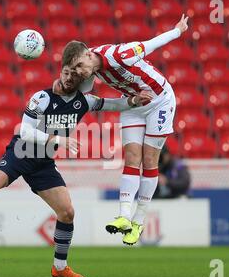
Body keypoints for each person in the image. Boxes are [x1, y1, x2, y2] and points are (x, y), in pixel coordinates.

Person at [0, 65, 152, 277]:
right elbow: (24, 130)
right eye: (65, 72)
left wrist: (133, 101)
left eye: (73, 77)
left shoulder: (84, 102)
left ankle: (60, 268)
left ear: (80, 84)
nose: (67, 78)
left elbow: (112, 105)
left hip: (43, 163)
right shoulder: (41, 98)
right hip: (20, 154)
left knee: (67, 212)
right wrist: (55, 140)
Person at [53, 14, 189, 245]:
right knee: (131, 158)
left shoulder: (118, 55)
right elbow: (80, 92)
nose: (79, 72)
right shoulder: (86, 72)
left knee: (149, 161)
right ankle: (124, 216)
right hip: (134, 104)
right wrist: (62, 84)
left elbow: (151, 44)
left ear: (88, 54)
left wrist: (178, 30)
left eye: (79, 66)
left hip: (160, 101)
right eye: (74, 69)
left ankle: (138, 221)